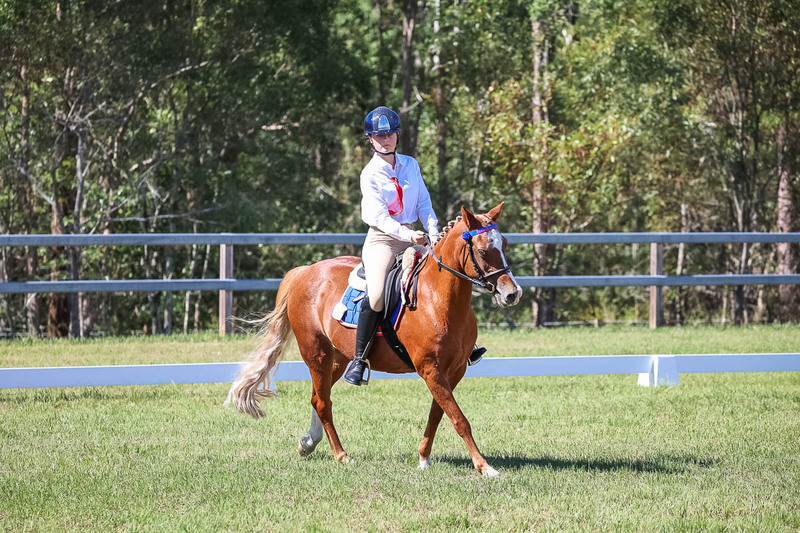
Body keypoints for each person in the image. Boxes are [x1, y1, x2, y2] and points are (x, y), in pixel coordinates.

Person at [344, 106, 440, 386]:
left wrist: (433, 231)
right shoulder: (369, 174)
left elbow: (423, 203)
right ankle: (359, 360)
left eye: (390, 134)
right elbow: (378, 217)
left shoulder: (411, 165)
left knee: (447, 272)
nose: (385, 140)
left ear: (397, 136)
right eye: (379, 136)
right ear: (370, 140)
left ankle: (463, 344)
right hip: (383, 240)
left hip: (414, 235)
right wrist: (408, 236)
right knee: (376, 296)